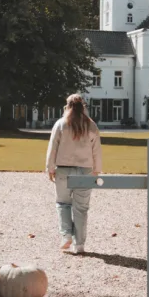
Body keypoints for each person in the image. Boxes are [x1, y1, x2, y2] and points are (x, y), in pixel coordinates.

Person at [45, 94, 103, 254]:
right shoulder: (91, 126)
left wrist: (50, 167)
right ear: (83, 106)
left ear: (67, 106)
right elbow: (96, 150)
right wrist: (97, 170)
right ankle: (80, 244)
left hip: (63, 169)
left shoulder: (61, 124)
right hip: (85, 171)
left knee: (63, 204)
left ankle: (66, 236)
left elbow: (53, 147)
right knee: (81, 208)